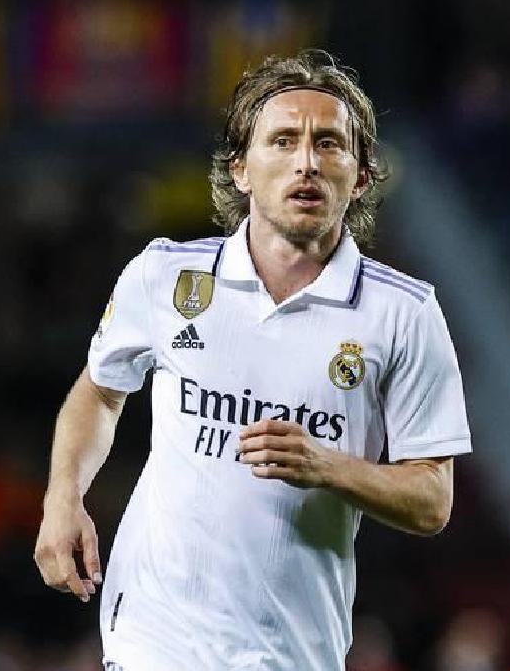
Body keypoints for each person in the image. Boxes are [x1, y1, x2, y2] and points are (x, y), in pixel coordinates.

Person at [34, 49, 472, 671]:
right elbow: (101, 390)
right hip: (153, 637)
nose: (306, 162)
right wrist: (63, 496)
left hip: (292, 649)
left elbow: (432, 499)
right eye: (283, 140)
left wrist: (327, 466)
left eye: (329, 144)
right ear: (240, 168)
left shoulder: (404, 314)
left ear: (361, 176)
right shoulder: (165, 276)